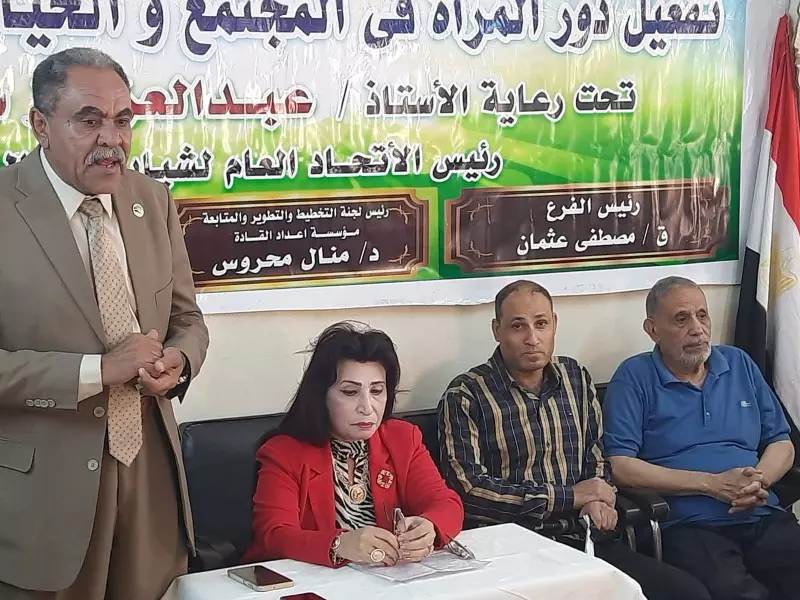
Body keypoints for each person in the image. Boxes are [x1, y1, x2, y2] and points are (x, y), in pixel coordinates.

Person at [0, 49, 209, 600]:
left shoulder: (152, 200)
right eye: (89, 120)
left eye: (123, 120)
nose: (112, 139)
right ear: (40, 124)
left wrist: (179, 360)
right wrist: (97, 371)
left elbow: (187, 319)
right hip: (43, 495)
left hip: (149, 478)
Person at [438, 280, 711, 600]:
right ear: (497, 330)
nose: (532, 338)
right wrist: (571, 497)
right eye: (517, 326)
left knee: (688, 594)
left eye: (541, 324)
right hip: (512, 553)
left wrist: (597, 498)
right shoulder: (467, 394)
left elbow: (596, 455)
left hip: (584, 540)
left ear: (554, 324)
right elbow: (469, 492)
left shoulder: (575, 377)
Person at [604, 276, 800, 600]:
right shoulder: (634, 377)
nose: (697, 329)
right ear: (653, 329)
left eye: (702, 315)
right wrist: (711, 484)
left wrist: (756, 481)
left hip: (760, 513)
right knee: (734, 591)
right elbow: (620, 466)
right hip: (688, 525)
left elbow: (781, 442)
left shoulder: (738, 364)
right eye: (681, 319)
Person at [242, 322, 464, 568]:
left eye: (377, 391)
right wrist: (338, 544)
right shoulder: (283, 453)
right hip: (315, 582)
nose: (367, 407)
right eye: (350, 392)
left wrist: (430, 527)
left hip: (390, 579)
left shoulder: (403, 439)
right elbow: (274, 535)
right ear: (321, 395)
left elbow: (446, 503)